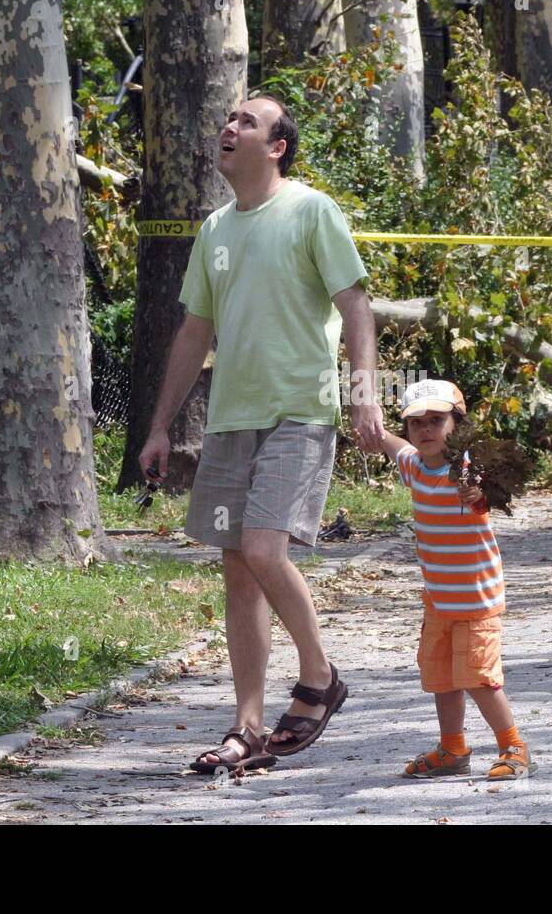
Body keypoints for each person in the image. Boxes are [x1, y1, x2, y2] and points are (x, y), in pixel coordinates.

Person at [138, 94, 386, 772]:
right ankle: (245, 729)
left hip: (299, 414)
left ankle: (319, 677)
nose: (228, 126)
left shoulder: (311, 210)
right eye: (227, 118)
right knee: (238, 569)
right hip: (230, 421)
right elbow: (195, 332)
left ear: (277, 146)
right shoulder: (215, 229)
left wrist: (364, 394)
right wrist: (160, 425)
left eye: (247, 121)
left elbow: (356, 307)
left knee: (263, 549)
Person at [369, 379, 535, 781]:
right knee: (441, 676)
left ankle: (514, 746)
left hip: (476, 601)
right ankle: (453, 749)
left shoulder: (465, 472)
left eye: (437, 420)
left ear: (457, 426)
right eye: (416, 423)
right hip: (440, 599)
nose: (425, 430)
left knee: (479, 678)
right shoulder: (413, 467)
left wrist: (474, 491)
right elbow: (394, 446)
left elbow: (479, 495)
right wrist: (374, 425)